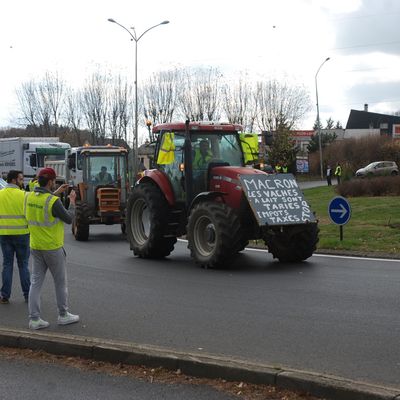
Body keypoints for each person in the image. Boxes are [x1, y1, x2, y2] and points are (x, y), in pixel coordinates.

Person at [25, 167, 79, 330]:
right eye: (54, 181)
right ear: (50, 182)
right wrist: (72, 201)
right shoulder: (53, 201)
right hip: (53, 248)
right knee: (60, 283)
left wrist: (55, 192)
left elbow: (43, 202)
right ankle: (63, 315)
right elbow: (69, 219)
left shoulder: (28, 197)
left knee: (35, 283)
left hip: (35, 246)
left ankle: (34, 319)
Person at [0, 170, 30, 304]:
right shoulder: (24, 195)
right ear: (13, 180)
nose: (22, 182)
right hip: (22, 235)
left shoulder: (0, 195)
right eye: (21, 179)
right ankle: (28, 294)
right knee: (23, 265)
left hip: (4, 234)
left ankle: (4, 295)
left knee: (7, 264)